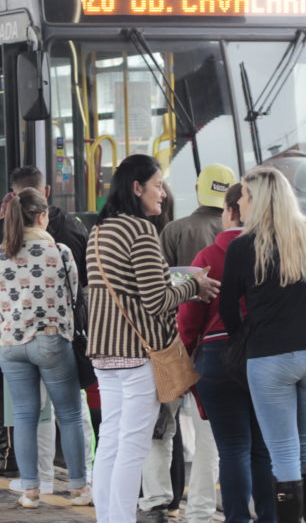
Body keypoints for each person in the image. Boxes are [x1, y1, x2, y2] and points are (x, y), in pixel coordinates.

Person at [87, 154, 219, 523]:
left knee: (110, 442)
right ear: (137, 187)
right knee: (132, 446)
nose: (163, 194)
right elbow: (157, 300)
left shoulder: (100, 231)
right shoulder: (141, 231)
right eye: (158, 185)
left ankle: (109, 519)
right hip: (137, 352)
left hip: (103, 352)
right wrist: (194, 285)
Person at [219, 167, 306, 523]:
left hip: (270, 356)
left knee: (283, 450)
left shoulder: (243, 246)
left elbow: (228, 307)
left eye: (242, 195)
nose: (239, 202)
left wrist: (244, 338)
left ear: (256, 200)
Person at [0, 187, 92, 508]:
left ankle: (30, 490)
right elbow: (75, 299)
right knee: (69, 415)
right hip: (52, 339)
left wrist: (9, 327)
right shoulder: (60, 253)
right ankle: (78, 488)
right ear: (42, 216)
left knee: (25, 416)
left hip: (10, 345)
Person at [143, 163, 236, 523]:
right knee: (209, 432)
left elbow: (156, 289)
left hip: (170, 340)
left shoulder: (173, 230)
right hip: (216, 347)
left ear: (198, 190)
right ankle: (199, 509)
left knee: (160, 426)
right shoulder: (239, 240)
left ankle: (155, 500)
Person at [178, 183, 275, 523]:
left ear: (233, 210)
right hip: (264, 356)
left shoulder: (208, 257)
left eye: (222, 210)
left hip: (217, 357)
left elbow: (189, 316)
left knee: (232, 447)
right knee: (262, 449)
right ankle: (269, 517)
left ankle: (236, 518)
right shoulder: (272, 252)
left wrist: (187, 353)